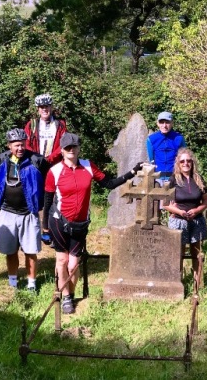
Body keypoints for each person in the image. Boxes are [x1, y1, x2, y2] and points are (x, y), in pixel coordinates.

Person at [42, 133, 141, 314]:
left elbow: (109, 183)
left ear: (79, 148)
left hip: (80, 223)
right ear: (62, 151)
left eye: (74, 147)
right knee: (62, 260)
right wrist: (45, 228)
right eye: (67, 148)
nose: (71, 150)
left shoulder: (88, 167)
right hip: (58, 221)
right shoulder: (54, 171)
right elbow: (47, 201)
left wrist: (132, 172)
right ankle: (65, 297)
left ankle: (70, 293)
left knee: (73, 265)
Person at [0, 128, 47, 291]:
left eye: (23, 145)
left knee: (30, 250)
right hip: (7, 211)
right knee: (10, 250)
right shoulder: (2, 159)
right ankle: (13, 283)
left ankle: (31, 283)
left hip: (28, 213)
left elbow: (47, 183)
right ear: (9, 145)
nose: (20, 148)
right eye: (17, 145)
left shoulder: (36, 160)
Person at [163, 148, 207, 283]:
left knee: (197, 253)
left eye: (188, 161)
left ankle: (198, 282)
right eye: (182, 161)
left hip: (196, 221)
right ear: (178, 163)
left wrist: (196, 210)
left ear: (192, 162)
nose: (186, 163)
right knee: (178, 253)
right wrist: (179, 212)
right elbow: (165, 203)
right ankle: (177, 281)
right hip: (178, 221)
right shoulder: (173, 180)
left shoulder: (199, 179)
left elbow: (206, 201)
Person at [24, 93, 68, 164]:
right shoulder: (31, 124)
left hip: (54, 163)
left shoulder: (60, 125)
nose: (44, 109)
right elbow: (25, 143)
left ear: (51, 107)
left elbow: (64, 144)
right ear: (38, 109)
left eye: (46, 106)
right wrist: (36, 157)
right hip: (35, 163)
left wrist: (50, 158)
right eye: (41, 107)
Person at [146, 111, 185, 184]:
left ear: (172, 123)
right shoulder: (151, 139)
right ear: (157, 123)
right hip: (158, 178)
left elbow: (185, 157)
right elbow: (152, 160)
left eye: (167, 122)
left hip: (175, 177)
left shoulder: (179, 138)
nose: (164, 125)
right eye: (161, 122)